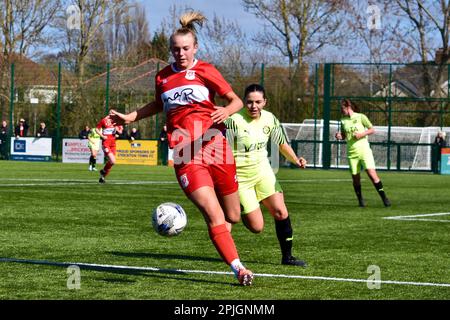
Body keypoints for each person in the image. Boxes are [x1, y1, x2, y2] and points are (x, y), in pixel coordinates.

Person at [109, 11, 253, 286]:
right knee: (214, 216)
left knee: (233, 215)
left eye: (185, 48)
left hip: (217, 147)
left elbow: (235, 101)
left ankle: (233, 229)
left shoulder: (206, 71)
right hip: (186, 154)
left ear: (195, 48)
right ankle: (239, 269)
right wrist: (130, 117)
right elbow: (158, 105)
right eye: (175, 49)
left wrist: (226, 111)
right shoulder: (163, 77)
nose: (180, 53)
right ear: (170, 50)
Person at [225, 84, 307, 267]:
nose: (253, 106)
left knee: (281, 211)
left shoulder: (270, 119)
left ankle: (287, 257)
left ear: (264, 102)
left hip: (263, 172)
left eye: (258, 102)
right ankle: (234, 207)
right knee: (257, 227)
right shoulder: (233, 121)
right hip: (241, 178)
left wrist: (295, 159)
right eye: (249, 102)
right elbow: (221, 150)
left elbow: (282, 143)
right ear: (244, 102)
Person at [335, 99, 391, 207]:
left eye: (342, 108)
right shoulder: (343, 120)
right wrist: (339, 136)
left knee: (372, 174)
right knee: (356, 178)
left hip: (364, 150)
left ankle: (384, 198)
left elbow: (372, 129)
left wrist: (361, 134)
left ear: (348, 107)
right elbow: (344, 135)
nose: (341, 111)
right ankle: (360, 200)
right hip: (352, 153)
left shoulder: (361, 117)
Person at [96, 112, 123, 183]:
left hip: (113, 144)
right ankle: (104, 171)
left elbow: (120, 132)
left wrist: (118, 131)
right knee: (113, 161)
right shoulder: (104, 120)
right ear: (110, 114)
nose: (114, 115)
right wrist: (102, 136)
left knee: (111, 162)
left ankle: (102, 177)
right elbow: (97, 129)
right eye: (112, 114)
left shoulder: (116, 121)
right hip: (106, 143)